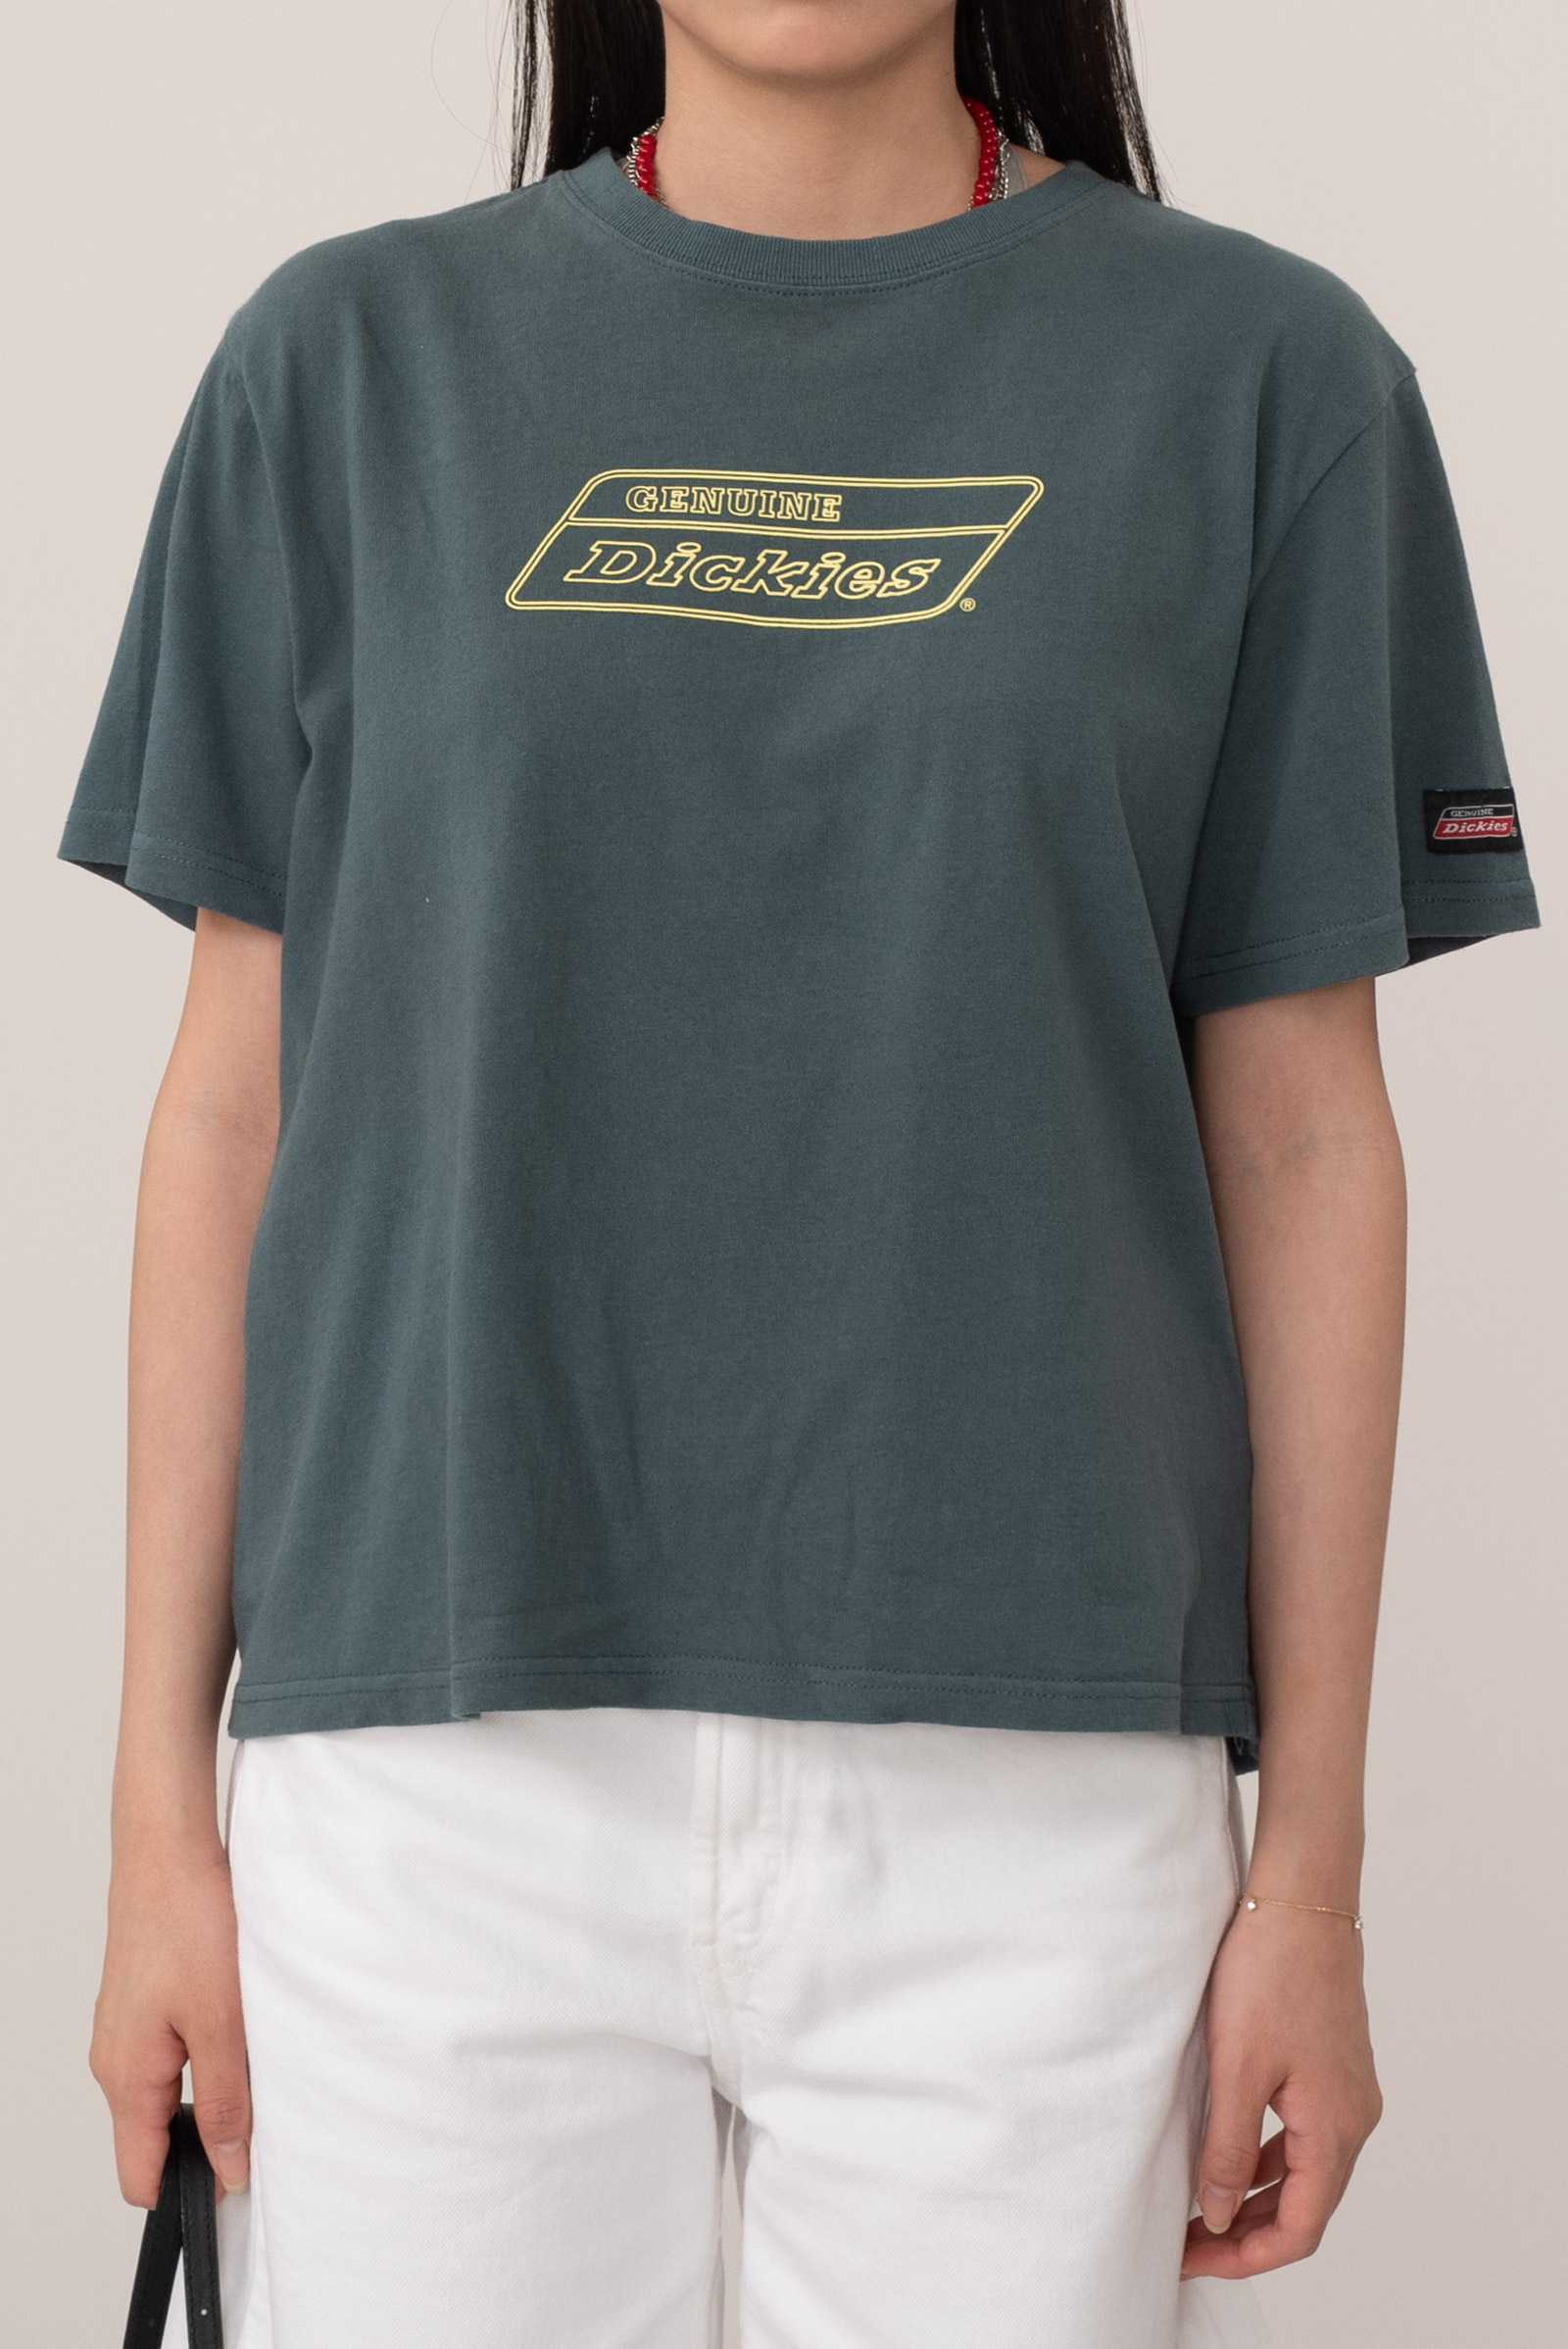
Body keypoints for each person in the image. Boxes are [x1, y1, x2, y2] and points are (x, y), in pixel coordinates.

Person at [66, 3, 1539, 2344]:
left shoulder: (1266, 379)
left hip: (1033, 1790)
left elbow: (1298, 1136)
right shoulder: (343, 365)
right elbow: (229, 1105)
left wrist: (1310, 1877)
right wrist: (157, 1811)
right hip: (433, 1759)